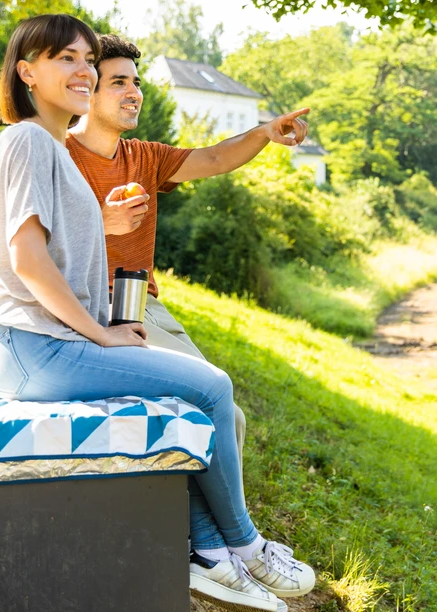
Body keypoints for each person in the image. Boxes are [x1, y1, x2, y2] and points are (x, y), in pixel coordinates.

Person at [0, 15, 313, 612]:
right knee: (211, 387)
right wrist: (101, 335)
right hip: (33, 343)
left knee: (185, 402)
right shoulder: (29, 140)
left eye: (87, 60)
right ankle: (245, 544)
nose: (83, 71)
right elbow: (26, 261)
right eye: (67, 60)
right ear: (27, 73)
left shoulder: (50, 144)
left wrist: (106, 322)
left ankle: (208, 554)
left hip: (52, 339)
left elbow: (54, 245)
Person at [65, 35, 312, 458]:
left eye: (137, 83)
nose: (135, 93)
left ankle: (211, 523)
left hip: (143, 305)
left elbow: (215, 158)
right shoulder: (57, 154)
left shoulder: (145, 157)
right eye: (120, 82)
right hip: (84, 306)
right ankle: (227, 525)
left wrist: (265, 133)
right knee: (221, 415)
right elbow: (30, 248)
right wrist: (102, 224)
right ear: (88, 88)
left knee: (220, 411)